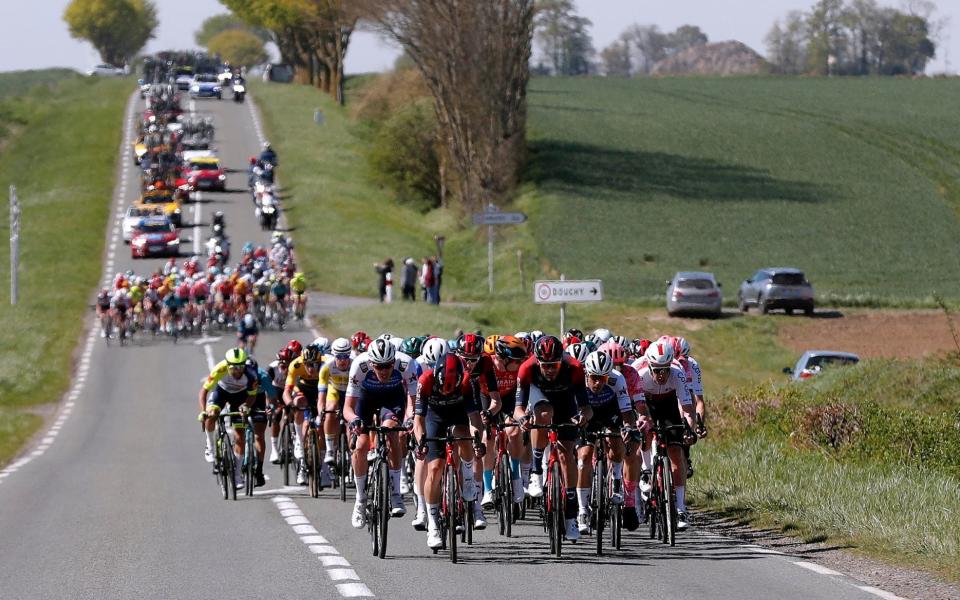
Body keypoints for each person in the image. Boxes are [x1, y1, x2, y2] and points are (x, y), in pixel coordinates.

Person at [517, 335, 593, 543]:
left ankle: (570, 516)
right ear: (538, 362)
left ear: (562, 360)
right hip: (539, 398)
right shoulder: (527, 369)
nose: (550, 370)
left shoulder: (575, 368)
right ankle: (536, 471)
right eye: (546, 365)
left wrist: (582, 417)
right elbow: (518, 408)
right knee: (542, 414)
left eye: (554, 365)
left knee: (566, 452)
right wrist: (523, 418)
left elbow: (587, 408)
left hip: (566, 402)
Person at [413, 353, 485, 549]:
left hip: (458, 413)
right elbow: (418, 420)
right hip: (433, 416)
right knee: (435, 468)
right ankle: (434, 524)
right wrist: (421, 442)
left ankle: (468, 478)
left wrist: (478, 439)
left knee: (465, 437)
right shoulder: (425, 380)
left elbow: (475, 420)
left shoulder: (468, 382)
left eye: (451, 387)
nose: (446, 391)